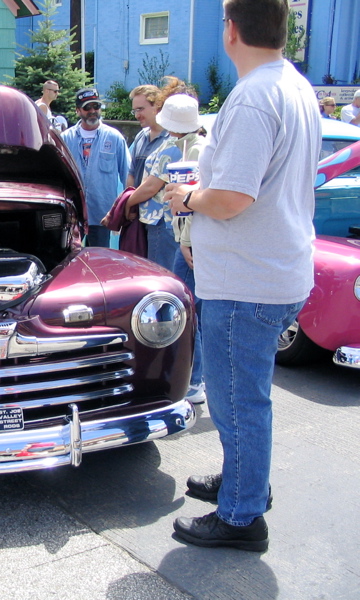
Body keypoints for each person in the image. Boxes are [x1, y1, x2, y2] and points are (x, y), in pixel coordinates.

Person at [164, 0, 320, 551]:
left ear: (231, 30)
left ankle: (241, 515)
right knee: (245, 395)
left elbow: (231, 199)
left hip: (247, 277)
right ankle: (244, 484)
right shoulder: (293, 86)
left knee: (238, 400)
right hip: (275, 268)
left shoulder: (254, 97)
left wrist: (185, 196)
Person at [122, 89, 205, 270]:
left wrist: (126, 204)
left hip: (164, 220)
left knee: (162, 273)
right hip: (173, 222)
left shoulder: (175, 146)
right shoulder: (195, 143)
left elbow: (152, 186)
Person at [61, 88, 130, 247]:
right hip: (73, 215)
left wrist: (126, 208)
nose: (92, 111)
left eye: (96, 106)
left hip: (102, 214)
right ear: (78, 110)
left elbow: (128, 175)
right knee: (69, 260)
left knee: (99, 262)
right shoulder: (66, 138)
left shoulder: (114, 138)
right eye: (87, 107)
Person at [126, 84, 168, 188]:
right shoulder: (141, 136)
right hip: (137, 203)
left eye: (140, 109)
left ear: (157, 105)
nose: (137, 115)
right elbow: (132, 174)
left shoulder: (171, 138)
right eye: (134, 111)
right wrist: (128, 200)